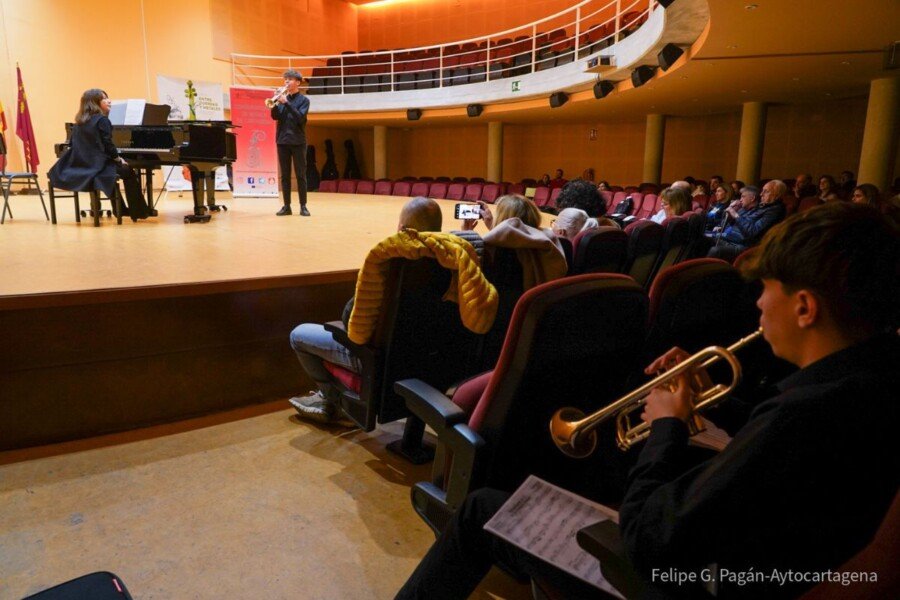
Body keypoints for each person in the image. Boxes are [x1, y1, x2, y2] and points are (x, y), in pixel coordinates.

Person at [394, 202, 899, 600]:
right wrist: (714, 403)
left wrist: (666, 428)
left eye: (768, 290)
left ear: (805, 307)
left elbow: (649, 541)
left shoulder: (798, 416)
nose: (760, 303)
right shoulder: (868, 383)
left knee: (482, 507)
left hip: (675, 579)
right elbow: (764, 461)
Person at [289, 197, 445, 424]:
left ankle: (329, 400)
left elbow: (351, 319)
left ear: (401, 228)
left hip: (378, 360)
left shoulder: (387, 264)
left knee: (298, 334)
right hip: (424, 359)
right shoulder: (453, 261)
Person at [48, 88, 151, 220]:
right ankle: (138, 211)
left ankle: (121, 209)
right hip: (97, 166)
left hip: (84, 165)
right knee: (127, 170)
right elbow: (108, 146)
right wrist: (119, 159)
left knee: (115, 170)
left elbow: (76, 146)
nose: (109, 101)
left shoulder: (79, 122)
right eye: (105, 98)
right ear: (95, 102)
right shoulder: (102, 120)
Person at [707, 180, 786, 262]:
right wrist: (730, 215)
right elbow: (730, 224)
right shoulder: (760, 206)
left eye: (766, 191)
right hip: (728, 237)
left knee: (715, 250)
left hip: (742, 245)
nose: (761, 194)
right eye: (762, 191)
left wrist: (736, 215)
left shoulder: (774, 211)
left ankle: (705, 271)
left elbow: (753, 231)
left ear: (777, 194)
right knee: (702, 235)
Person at [271, 69, 311, 216]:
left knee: (301, 175)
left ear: (298, 83)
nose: (286, 81)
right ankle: (286, 206)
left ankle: (303, 206)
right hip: (282, 141)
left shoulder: (304, 101)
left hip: (298, 142)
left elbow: (300, 118)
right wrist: (275, 102)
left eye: (290, 79)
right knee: (285, 176)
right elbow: (275, 117)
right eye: (285, 79)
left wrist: (286, 103)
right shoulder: (281, 99)